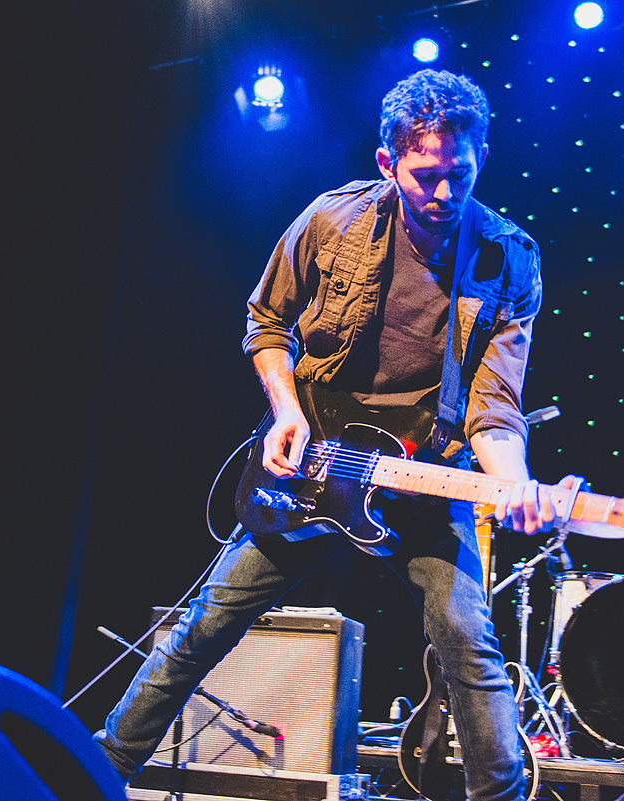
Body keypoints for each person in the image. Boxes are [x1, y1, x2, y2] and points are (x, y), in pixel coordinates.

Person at [94, 69, 568, 801]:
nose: (444, 195)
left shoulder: (511, 260)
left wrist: (514, 479)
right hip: (311, 468)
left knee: (468, 640)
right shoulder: (332, 219)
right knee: (202, 631)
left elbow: (495, 407)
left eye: (460, 174)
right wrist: (287, 411)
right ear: (388, 163)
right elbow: (266, 323)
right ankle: (94, 773)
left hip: (422, 482)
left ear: (482, 158)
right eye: (427, 176)